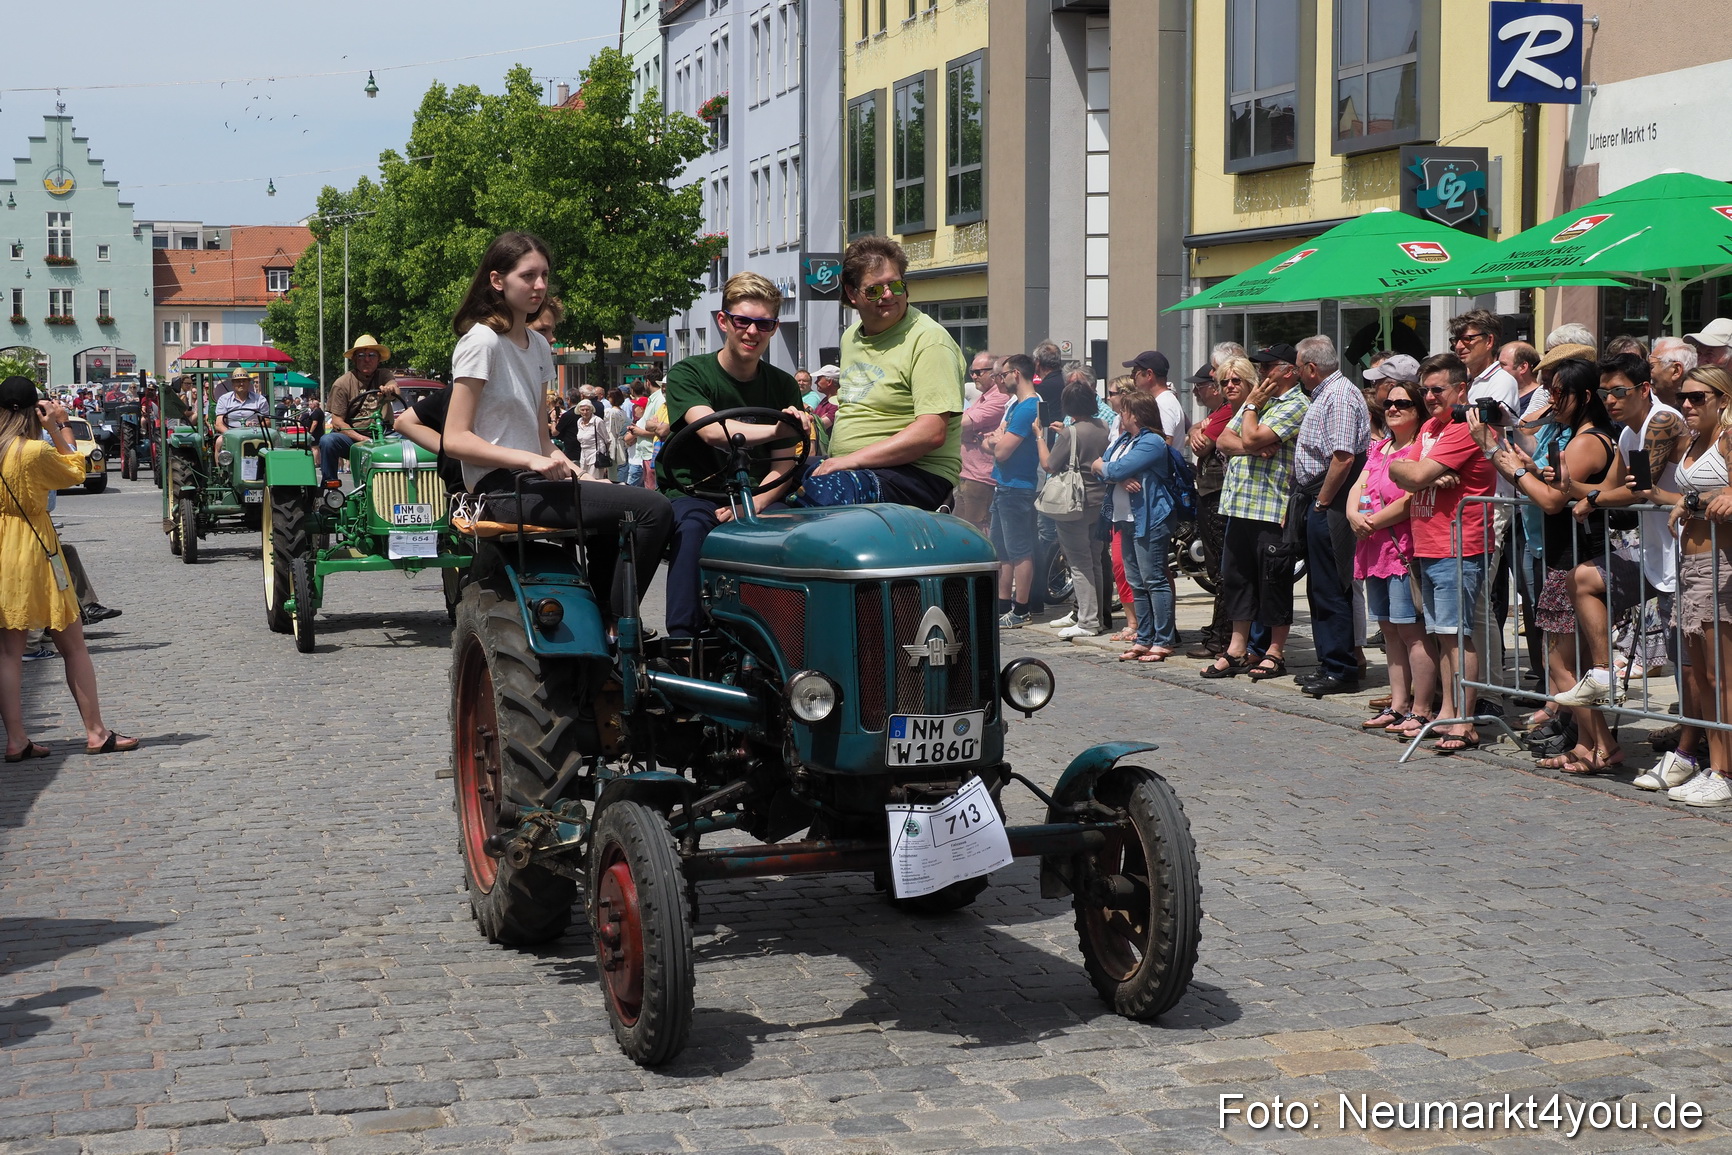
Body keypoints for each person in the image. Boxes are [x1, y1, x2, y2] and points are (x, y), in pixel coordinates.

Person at [441, 232, 672, 619]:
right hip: (499, 488)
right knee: (654, 509)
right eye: (528, 276)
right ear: (497, 281)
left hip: (537, 483)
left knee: (626, 508)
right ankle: (616, 626)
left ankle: (603, 618)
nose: (541, 286)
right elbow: (455, 439)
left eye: (545, 275)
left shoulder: (539, 345)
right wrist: (530, 461)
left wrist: (582, 475)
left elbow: (542, 440)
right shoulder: (481, 341)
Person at [660, 270, 806, 637]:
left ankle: (788, 641)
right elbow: (711, 431)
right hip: (696, 492)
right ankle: (684, 639)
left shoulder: (783, 384)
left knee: (798, 534)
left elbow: (784, 463)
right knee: (692, 529)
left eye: (764, 324)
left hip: (759, 495)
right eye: (743, 321)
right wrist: (775, 429)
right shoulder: (689, 372)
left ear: (774, 327)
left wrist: (754, 503)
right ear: (723, 321)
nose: (752, 332)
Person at [0, 378, 138, 760]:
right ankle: (96, 732)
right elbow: (77, 469)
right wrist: (60, 426)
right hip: (33, 544)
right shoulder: (31, 452)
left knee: (9, 652)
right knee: (72, 643)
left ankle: (15, 740)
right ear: (32, 410)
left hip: (2, 546)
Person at [802, 236, 964, 509]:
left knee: (822, 494)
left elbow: (931, 433)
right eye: (875, 290)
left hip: (917, 475)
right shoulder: (851, 337)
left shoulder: (930, 341)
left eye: (896, 285)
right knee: (774, 481)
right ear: (852, 294)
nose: (888, 295)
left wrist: (849, 460)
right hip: (856, 471)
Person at [1388, 353, 1498, 754]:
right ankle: (1449, 712)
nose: (1430, 397)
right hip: (1430, 542)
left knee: (1457, 635)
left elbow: (1410, 473)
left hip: (1458, 544)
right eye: (1426, 390)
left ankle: (1463, 720)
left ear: (1461, 389)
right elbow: (1396, 467)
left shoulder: (1463, 427)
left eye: (1439, 389)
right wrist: (1411, 468)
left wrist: (1413, 471)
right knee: (1442, 634)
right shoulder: (1432, 426)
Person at [1201, 348, 1308, 681]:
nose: (1262, 372)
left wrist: (1250, 422)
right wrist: (1252, 442)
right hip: (1239, 505)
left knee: (1272, 582)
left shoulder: (1295, 405)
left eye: (1268, 366)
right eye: (1260, 366)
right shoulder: (1263, 404)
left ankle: (1275, 652)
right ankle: (1236, 649)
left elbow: (1250, 435)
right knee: (1238, 580)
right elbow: (1223, 440)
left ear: (1288, 371)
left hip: (1271, 507)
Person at [1660, 366, 1732, 804]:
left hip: (1721, 566)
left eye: (1698, 397)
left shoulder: (1728, 439)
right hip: (1688, 566)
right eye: (1683, 397)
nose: (1687, 405)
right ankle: (1714, 764)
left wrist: (1692, 501)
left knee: (1720, 676)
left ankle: (1725, 771)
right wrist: (1680, 502)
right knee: (1700, 678)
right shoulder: (1692, 441)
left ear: (1723, 399)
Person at [1348, 380, 1434, 739]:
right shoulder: (1381, 446)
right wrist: (1353, 513)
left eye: (1403, 403)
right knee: (1388, 630)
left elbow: (1410, 499)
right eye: (1389, 403)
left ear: (1418, 411)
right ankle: (1398, 704)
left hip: (1400, 548)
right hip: (1372, 547)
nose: (1393, 408)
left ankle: (1422, 708)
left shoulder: (1418, 449)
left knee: (1411, 632)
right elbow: (1360, 483)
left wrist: (1371, 521)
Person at [1292, 335, 1370, 697]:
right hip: (1320, 496)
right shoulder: (1327, 394)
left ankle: (1340, 668)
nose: (1295, 372)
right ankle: (1330, 663)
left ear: (1310, 367)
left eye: (1297, 365)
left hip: (1332, 499)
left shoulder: (1338, 395)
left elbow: (1343, 457)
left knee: (1332, 587)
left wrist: (1322, 502)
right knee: (1320, 586)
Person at [1094, 390, 1178, 660]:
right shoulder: (1123, 441)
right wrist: (1115, 476)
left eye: (1124, 411)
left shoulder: (1152, 442)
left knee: (1153, 579)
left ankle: (1163, 640)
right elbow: (1099, 469)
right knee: (1135, 581)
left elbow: (1109, 467)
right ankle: (1144, 637)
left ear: (1136, 414)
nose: (1121, 415)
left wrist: (1110, 471)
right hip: (1123, 518)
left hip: (1150, 518)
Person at [1036, 381, 1111, 639]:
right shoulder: (1103, 426)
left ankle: (1087, 621)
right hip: (1099, 501)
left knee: (1079, 564)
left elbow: (1049, 464)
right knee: (1095, 560)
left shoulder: (1071, 433)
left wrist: (1039, 436)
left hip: (1075, 504)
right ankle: (1098, 617)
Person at [1183, 358, 1238, 659]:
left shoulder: (1227, 411)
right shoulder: (1218, 413)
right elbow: (1196, 436)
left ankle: (1223, 636)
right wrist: (1195, 428)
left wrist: (1198, 432)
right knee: (1216, 567)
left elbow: (1202, 446)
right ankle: (1220, 631)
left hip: (1217, 495)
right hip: (1209, 492)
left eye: (1201, 386)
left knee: (1221, 568)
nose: (1196, 393)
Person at [984, 354, 1043, 627]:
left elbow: (1003, 451)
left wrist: (997, 442)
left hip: (1017, 488)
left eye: (1004, 373)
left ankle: (1022, 610)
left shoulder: (1028, 408)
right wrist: (995, 441)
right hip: (1003, 487)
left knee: (1020, 549)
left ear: (1016, 373)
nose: (1001, 378)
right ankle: (1002, 605)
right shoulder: (1014, 406)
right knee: (1002, 550)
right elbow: (990, 442)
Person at [318, 335, 400, 483]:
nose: (366, 359)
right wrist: (363, 439)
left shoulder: (384, 375)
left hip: (386, 435)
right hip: (354, 439)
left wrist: (390, 390)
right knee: (328, 441)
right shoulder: (342, 384)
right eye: (361, 355)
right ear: (354, 359)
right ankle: (331, 489)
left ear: (378, 359)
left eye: (371, 355)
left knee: (416, 444)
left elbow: (395, 388)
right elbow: (337, 422)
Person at [954, 351, 1007, 533]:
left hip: (981, 479)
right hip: (968, 475)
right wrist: (970, 434)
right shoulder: (983, 398)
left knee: (977, 532)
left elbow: (961, 424)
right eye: (972, 372)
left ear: (994, 373)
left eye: (979, 372)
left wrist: (969, 434)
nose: (974, 376)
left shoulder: (999, 398)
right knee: (961, 530)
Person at [1124, 350, 1189, 446]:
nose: (1131, 377)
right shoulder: (1161, 401)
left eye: (1135, 372)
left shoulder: (1164, 404)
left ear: (1149, 374)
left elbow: (1164, 444)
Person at [565, 400, 615, 481]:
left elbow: (607, 439)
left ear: (591, 410)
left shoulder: (597, 421)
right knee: (583, 478)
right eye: (582, 410)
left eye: (587, 410)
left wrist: (606, 455)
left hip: (595, 454)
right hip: (584, 455)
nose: (585, 412)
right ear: (579, 411)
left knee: (595, 480)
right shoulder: (579, 421)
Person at [215, 368, 269, 434]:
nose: (241, 384)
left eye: (244, 381)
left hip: (255, 433)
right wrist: (230, 435)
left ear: (249, 383)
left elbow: (267, 421)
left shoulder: (260, 399)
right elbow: (219, 424)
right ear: (233, 384)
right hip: (231, 434)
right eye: (238, 381)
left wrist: (256, 426)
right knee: (219, 442)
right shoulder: (224, 399)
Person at [1649, 337, 1696, 411]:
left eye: (1651, 366)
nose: (1646, 371)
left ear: (1676, 370)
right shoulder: (1641, 408)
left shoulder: (1696, 413)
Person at [810, 364, 841, 430]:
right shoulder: (825, 400)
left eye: (819, 379)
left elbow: (818, 426)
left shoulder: (837, 403)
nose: (815, 382)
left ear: (829, 382)